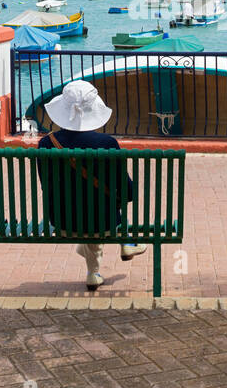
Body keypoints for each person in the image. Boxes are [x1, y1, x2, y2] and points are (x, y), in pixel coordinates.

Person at [37, 80, 146, 290]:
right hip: (103, 223)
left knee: (87, 212)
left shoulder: (46, 144)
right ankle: (126, 242)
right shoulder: (107, 144)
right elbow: (127, 192)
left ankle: (94, 272)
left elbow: (46, 185)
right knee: (99, 212)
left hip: (63, 222)